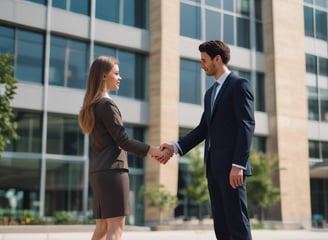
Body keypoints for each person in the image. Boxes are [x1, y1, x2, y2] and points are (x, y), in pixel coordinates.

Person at [161, 40, 255, 240]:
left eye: (204, 60)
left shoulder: (239, 85)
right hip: (213, 168)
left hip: (233, 169)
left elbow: (246, 125)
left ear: (217, 59)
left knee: (237, 223)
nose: (201, 64)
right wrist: (175, 147)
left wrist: (238, 164)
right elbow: (203, 129)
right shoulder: (210, 93)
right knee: (221, 225)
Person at [79, 56, 168, 240]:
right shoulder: (107, 105)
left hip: (98, 172)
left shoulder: (93, 106)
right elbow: (123, 140)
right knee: (116, 228)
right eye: (116, 73)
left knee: (102, 227)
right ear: (104, 76)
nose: (120, 77)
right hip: (113, 172)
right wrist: (153, 150)